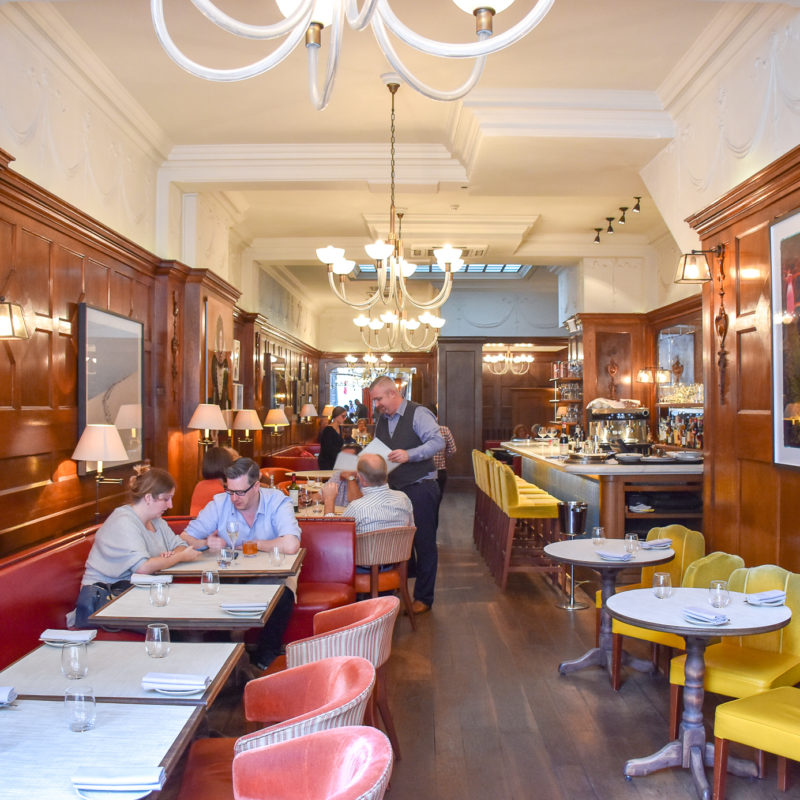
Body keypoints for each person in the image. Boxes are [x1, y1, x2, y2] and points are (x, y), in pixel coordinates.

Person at [181, 457, 301, 669]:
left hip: (271, 575)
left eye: (240, 492)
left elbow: (291, 545)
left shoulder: (277, 501)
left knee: (281, 594)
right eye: (230, 491)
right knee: (216, 591)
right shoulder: (220, 503)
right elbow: (185, 537)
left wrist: (252, 545)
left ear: (256, 486)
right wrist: (205, 543)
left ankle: (264, 659)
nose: (234, 498)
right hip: (230, 575)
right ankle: (225, 661)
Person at [75, 468, 200, 627]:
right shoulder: (123, 521)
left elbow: (180, 545)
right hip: (105, 600)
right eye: (166, 499)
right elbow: (142, 568)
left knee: (189, 608)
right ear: (148, 498)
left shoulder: (155, 520)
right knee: (182, 617)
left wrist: (167, 558)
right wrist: (178, 557)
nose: (170, 505)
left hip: (135, 593)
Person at [369, 376, 443, 615]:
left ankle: (424, 597)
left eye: (378, 399)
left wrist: (410, 454)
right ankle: (394, 589)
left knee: (424, 543)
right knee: (395, 542)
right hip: (394, 489)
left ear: (393, 393)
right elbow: (378, 449)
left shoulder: (418, 413)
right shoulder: (382, 419)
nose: (376, 404)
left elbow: (437, 441)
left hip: (420, 487)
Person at [322, 452, 413, 533]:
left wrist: (329, 500)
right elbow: (411, 529)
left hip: (366, 548)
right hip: (400, 547)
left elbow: (333, 534)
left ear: (361, 478)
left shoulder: (357, 508)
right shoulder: (403, 499)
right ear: (386, 474)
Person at [426, 403, 457, 499]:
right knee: (437, 499)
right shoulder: (444, 430)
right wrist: (443, 455)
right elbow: (452, 450)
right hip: (440, 471)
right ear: (437, 417)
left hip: (423, 473)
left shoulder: (417, 431)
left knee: (423, 502)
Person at [321, 443, 363, 507]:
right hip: (337, 513)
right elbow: (321, 495)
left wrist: (350, 478)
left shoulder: (365, 477)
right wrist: (308, 498)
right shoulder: (338, 475)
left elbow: (357, 505)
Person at [318, 405, 347, 470]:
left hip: (336, 460)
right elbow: (327, 450)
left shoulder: (339, 427)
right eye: (343, 416)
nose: (345, 418)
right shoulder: (328, 430)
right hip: (327, 462)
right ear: (336, 416)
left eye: (345, 416)